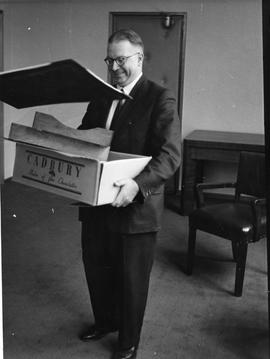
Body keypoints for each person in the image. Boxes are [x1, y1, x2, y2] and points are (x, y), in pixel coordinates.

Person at [78, 29, 181, 359]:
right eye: (110, 60)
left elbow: (170, 155)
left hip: (136, 206)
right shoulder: (100, 96)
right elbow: (85, 139)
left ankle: (128, 341)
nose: (115, 67)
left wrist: (138, 186)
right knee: (97, 267)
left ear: (139, 58)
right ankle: (105, 321)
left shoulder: (159, 96)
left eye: (121, 59)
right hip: (97, 203)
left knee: (131, 280)